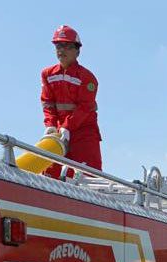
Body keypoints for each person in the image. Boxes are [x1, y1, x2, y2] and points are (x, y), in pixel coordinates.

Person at [41, 25, 102, 179]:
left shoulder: (87, 78)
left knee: (87, 178)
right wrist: (50, 124)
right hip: (58, 131)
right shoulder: (48, 74)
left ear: (77, 51)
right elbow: (47, 103)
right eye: (58, 46)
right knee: (50, 175)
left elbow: (85, 107)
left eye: (67, 46)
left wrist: (67, 127)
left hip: (84, 133)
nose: (61, 50)